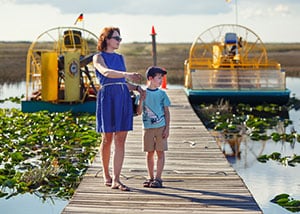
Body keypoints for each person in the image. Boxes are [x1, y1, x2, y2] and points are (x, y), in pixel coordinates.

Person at [93, 27, 145, 191]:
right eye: (117, 38)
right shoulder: (98, 57)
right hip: (107, 97)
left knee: (121, 139)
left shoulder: (120, 58)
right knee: (107, 138)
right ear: (107, 39)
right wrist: (128, 74)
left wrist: (136, 88)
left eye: (120, 38)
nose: (119, 41)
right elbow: (106, 73)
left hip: (122, 97)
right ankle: (106, 174)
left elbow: (122, 82)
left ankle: (116, 179)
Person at [137, 66, 171, 188]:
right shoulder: (143, 93)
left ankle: (158, 178)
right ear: (150, 78)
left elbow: (167, 112)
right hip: (147, 128)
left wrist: (167, 128)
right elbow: (139, 112)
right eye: (158, 78)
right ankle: (150, 177)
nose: (161, 80)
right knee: (149, 153)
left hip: (161, 127)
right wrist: (141, 100)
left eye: (162, 78)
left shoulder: (162, 94)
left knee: (160, 152)